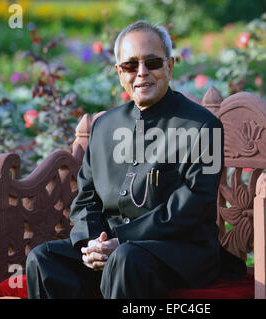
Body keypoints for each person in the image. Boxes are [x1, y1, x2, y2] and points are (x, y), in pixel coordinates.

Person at [26, 20, 239, 299]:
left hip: (179, 251)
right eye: (130, 65)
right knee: (44, 259)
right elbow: (86, 198)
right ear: (119, 72)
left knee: (125, 259)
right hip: (115, 249)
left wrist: (122, 240)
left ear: (170, 66)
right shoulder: (104, 127)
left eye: (152, 63)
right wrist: (93, 244)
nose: (141, 73)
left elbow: (193, 204)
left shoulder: (203, 126)